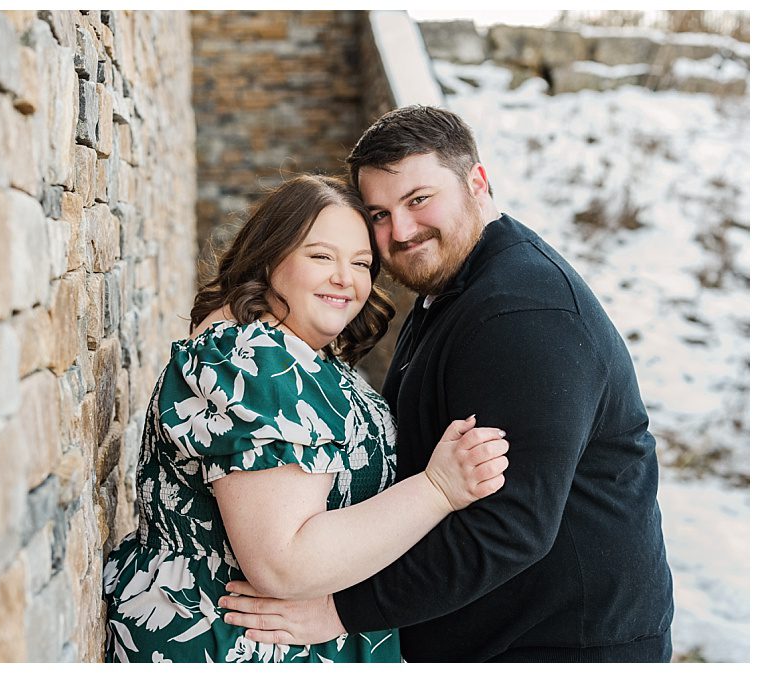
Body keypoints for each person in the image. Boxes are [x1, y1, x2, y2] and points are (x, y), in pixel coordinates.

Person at [220, 106, 675, 662]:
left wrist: (338, 611)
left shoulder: (521, 314)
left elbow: (509, 526)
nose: (401, 231)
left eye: (418, 200)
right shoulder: (453, 291)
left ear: (477, 183)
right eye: (380, 214)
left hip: (559, 644)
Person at [102, 175, 510, 663]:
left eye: (361, 263)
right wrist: (438, 489)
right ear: (270, 258)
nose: (346, 278)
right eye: (321, 256)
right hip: (230, 640)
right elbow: (284, 563)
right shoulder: (254, 360)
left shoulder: (301, 354)